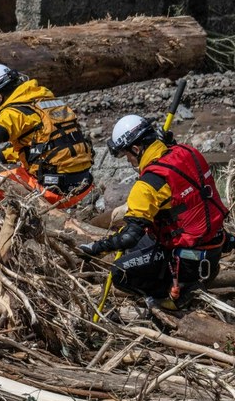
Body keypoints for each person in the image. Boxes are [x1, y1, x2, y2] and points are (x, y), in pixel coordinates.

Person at [79, 115, 229, 310]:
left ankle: (172, 297)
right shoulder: (188, 152)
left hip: (188, 263)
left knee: (120, 272)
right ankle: (181, 283)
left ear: (136, 149)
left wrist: (97, 248)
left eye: (127, 155)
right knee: (138, 248)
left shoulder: (148, 183)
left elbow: (130, 237)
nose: (129, 161)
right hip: (214, 246)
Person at [0, 64, 94, 208]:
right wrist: (2, 154)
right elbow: (46, 146)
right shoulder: (45, 101)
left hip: (53, 190)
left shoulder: (14, 112)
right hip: (84, 184)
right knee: (20, 171)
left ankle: (12, 226)